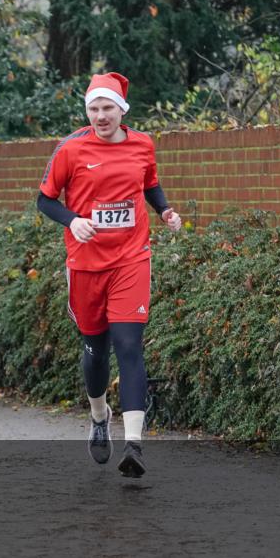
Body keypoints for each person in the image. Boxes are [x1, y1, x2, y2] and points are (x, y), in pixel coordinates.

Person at [37, 72, 181, 478]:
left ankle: (134, 444)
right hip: (86, 264)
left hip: (131, 259)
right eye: (93, 109)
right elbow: (44, 200)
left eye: (107, 108)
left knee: (129, 346)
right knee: (96, 352)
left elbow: (150, 184)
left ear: (122, 110)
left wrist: (164, 210)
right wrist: (72, 220)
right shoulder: (70, 149)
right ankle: (99, 415)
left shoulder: (143, 144)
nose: (100, 116)